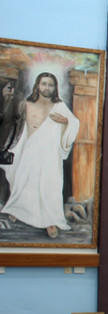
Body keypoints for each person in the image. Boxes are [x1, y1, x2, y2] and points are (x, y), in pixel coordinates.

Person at [0, 72, 80, 238]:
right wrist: (7, 99)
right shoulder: (26, 104)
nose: (47, 88)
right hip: (28, 148)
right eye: (44, 84)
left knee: (50, 186)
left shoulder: (60, 106)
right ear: (37, 85)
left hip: (50, 153)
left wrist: (66, 122)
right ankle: (19, 210)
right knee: (23, 181)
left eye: (50, 85)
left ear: (54, 88)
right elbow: (10, 120)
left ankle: (50, 220)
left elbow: (74, 122)